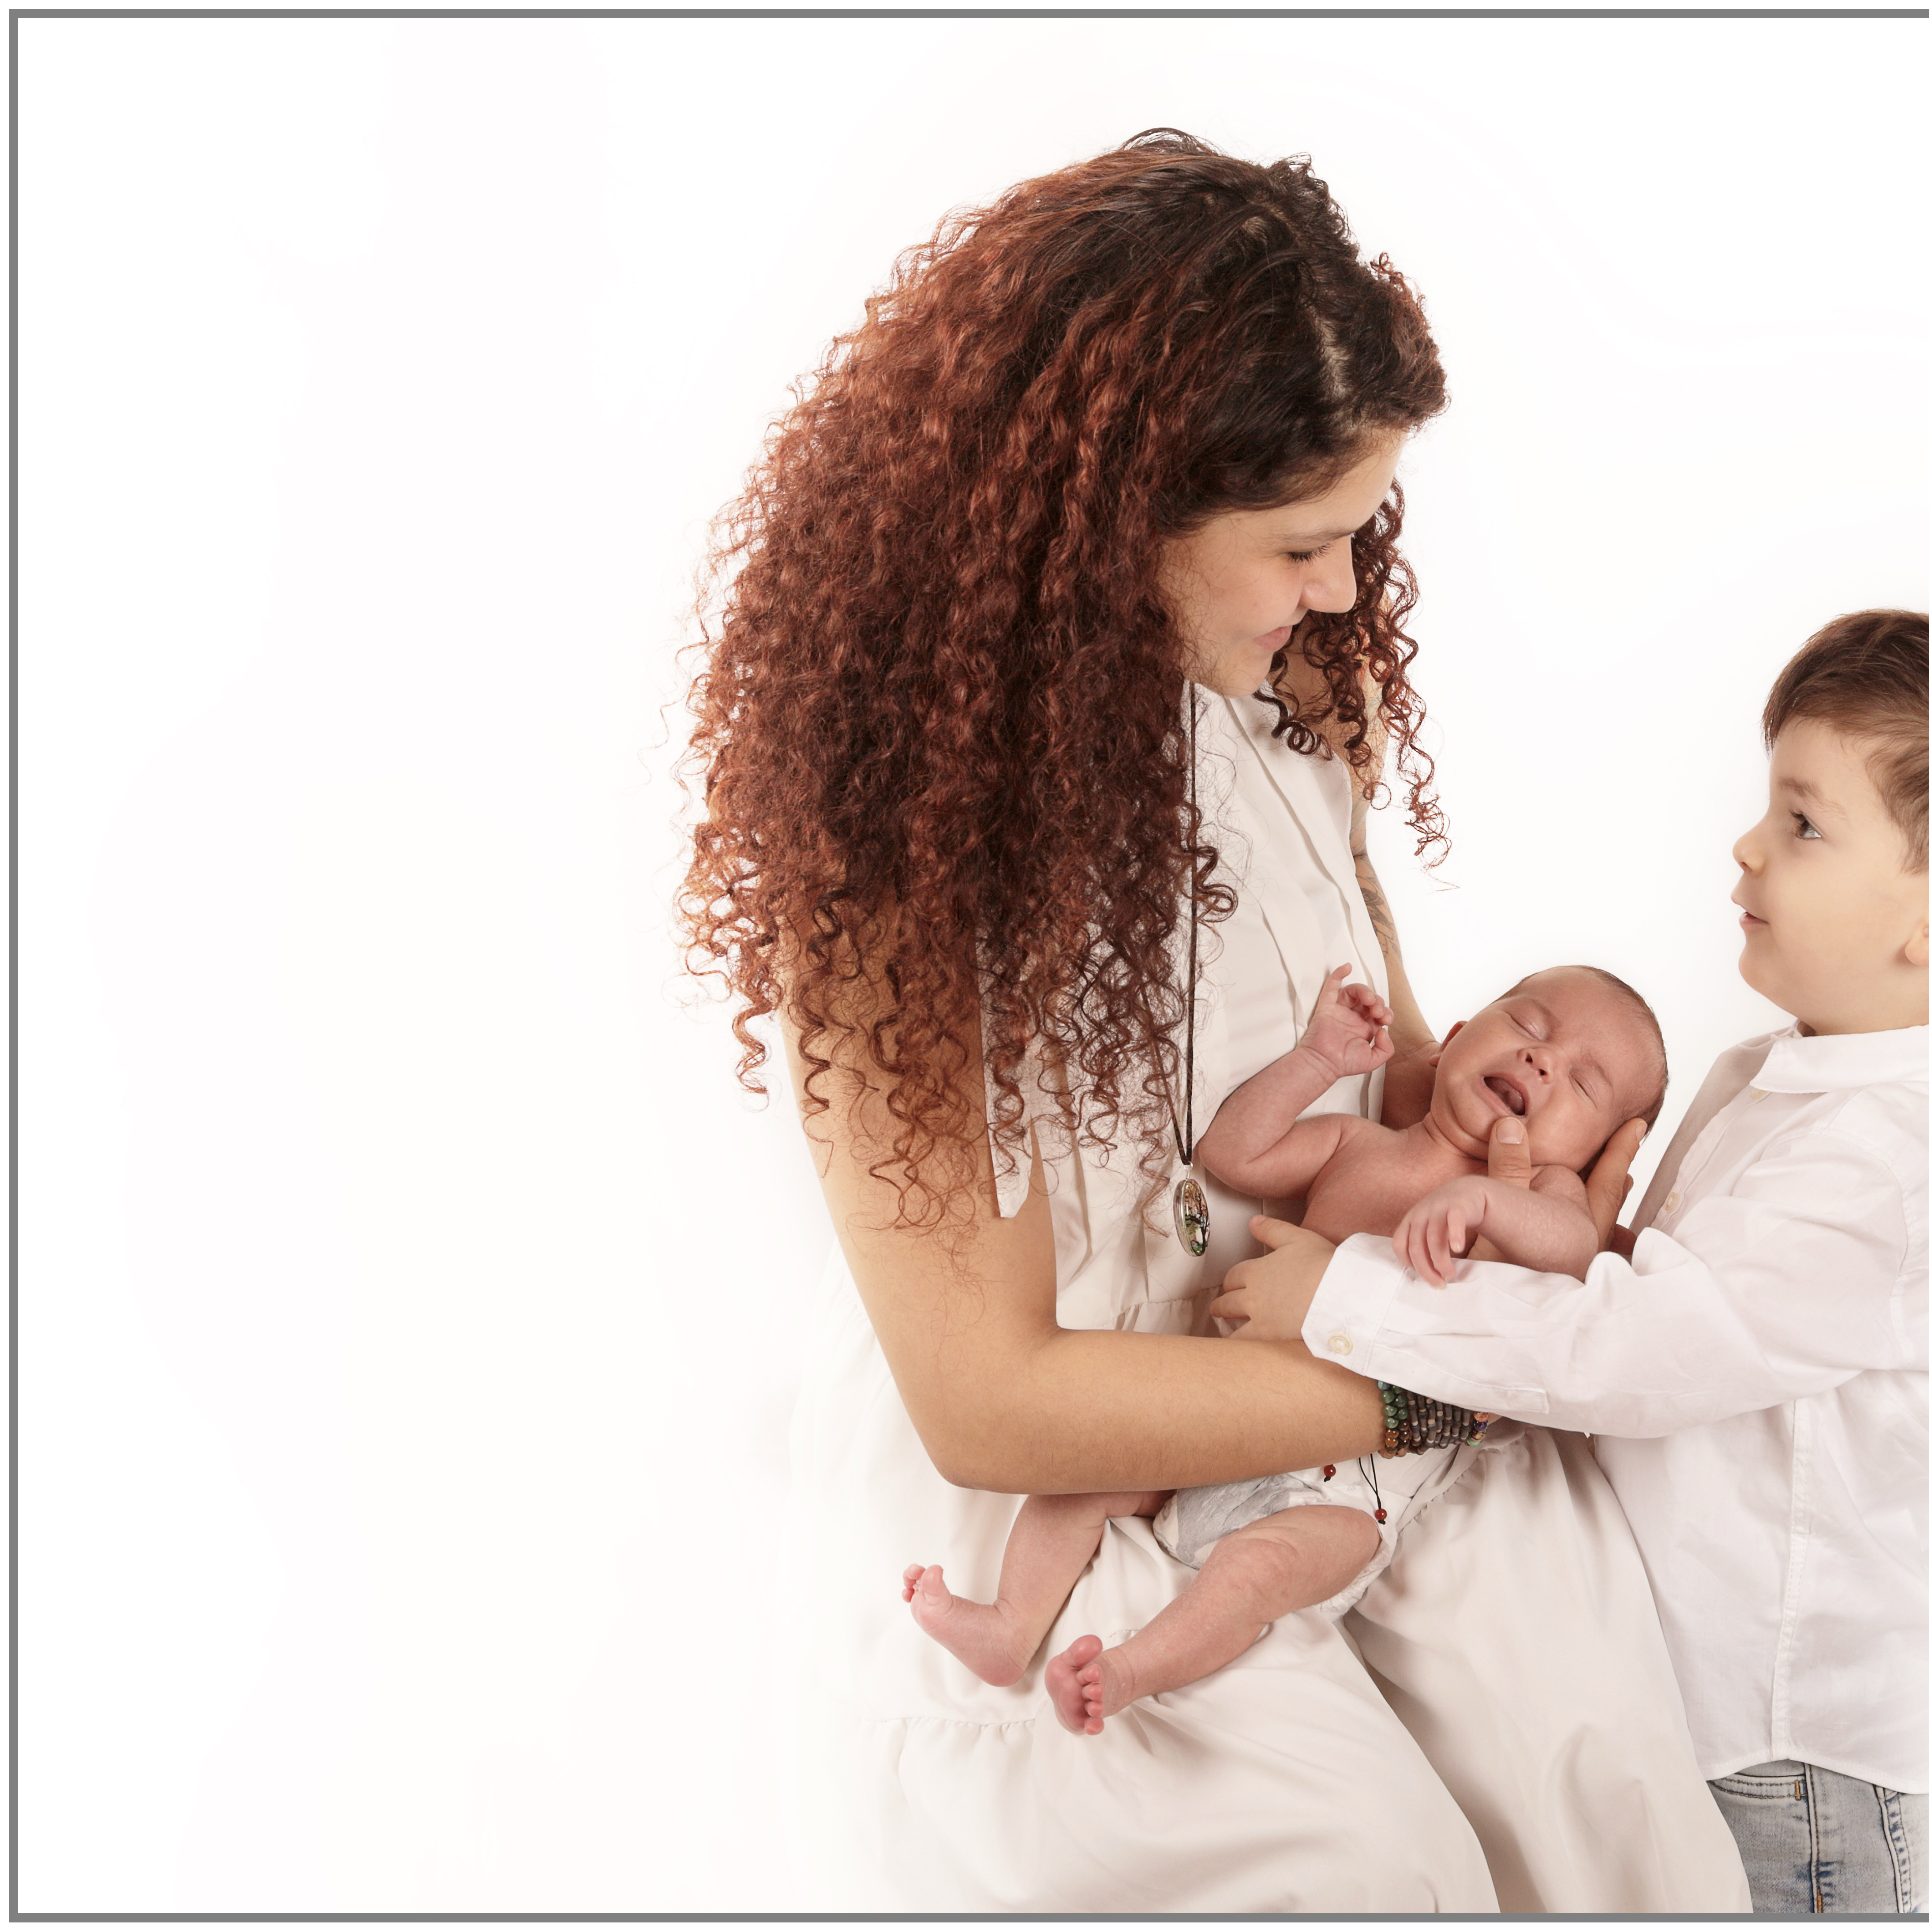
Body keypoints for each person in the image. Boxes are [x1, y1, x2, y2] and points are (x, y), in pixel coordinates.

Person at [676, 130, 1749, 1912]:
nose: (1340, 592)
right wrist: (1406, 1387)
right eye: (1300, 543)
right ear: (1100, 525)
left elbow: (1403, 1068)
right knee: (1362, 1867)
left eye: (1358, 535)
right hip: (1096, 1484)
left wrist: (1541, 1157)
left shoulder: (1283, 710)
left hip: (1347, 1387)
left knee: (1608, 1774)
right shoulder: (904, 864)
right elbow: (989, 1400)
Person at [1216, 609, 1929, 1913]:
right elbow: (1667, 1306)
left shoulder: (1882, 1164)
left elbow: (1636, 1349)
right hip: (1715, 1722)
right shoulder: (1802, 1073)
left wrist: (1342, 1294)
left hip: (1793, 1763)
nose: (1747, 845)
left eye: (1804, 824)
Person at [900, 962, 1669, 1735]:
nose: (1543, 1060)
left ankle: (1129, 1670)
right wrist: (1318, 1061)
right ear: (1455, 1043)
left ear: (1593, 1152)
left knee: (1255, 1574)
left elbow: (1571, 1252)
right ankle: (1009, 1625)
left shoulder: (1545, 1198)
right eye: (1530, 1027)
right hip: (1231, 1426)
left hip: (1346, 1495)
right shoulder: (1357, 1144)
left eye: (1583, 1083)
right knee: (1081, 1477)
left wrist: (1489, 1200)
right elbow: (1235, 1153)